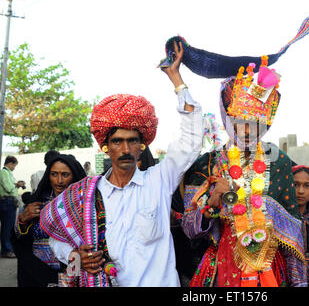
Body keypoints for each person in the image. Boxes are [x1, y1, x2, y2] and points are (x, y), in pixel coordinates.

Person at [39, 41, 204, 287]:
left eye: (132, 141)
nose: (125, 149)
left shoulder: (159, 180)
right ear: (105, 147)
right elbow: (54, 239)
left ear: (142, 146)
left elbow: (191, 140)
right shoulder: (86, 194)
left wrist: (176, 80)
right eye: (117, 141)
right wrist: (76, 258)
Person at [179, 57, 307, 287]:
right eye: (240, 122)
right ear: (228, 120)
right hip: (221, 266)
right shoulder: (207, 164)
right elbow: (188, 229)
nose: (248, 131)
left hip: (269, 268)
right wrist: (212, 203)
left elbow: (293, 234)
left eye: (255, 122)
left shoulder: (279, 163)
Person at [12, 154, 86, 287]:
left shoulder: (85, 204)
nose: (59, 180)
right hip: (37, 271)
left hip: (74, 268)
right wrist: (22, 220)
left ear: (74, 175)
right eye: (54, 174)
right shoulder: (36, 204)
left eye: (65, 174)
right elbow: (18, 239)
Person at [0, 156, 25, 258]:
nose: (14, 167)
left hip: (10, 201)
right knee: (7, 227)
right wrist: (17, 185)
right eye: (14, 165)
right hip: (6, 201)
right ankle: (6, 250)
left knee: (9, 227)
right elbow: (9, 188)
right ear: (10, 163)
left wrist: (17, 184)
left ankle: (8, 248)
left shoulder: (8, 173)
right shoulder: (4, 172)